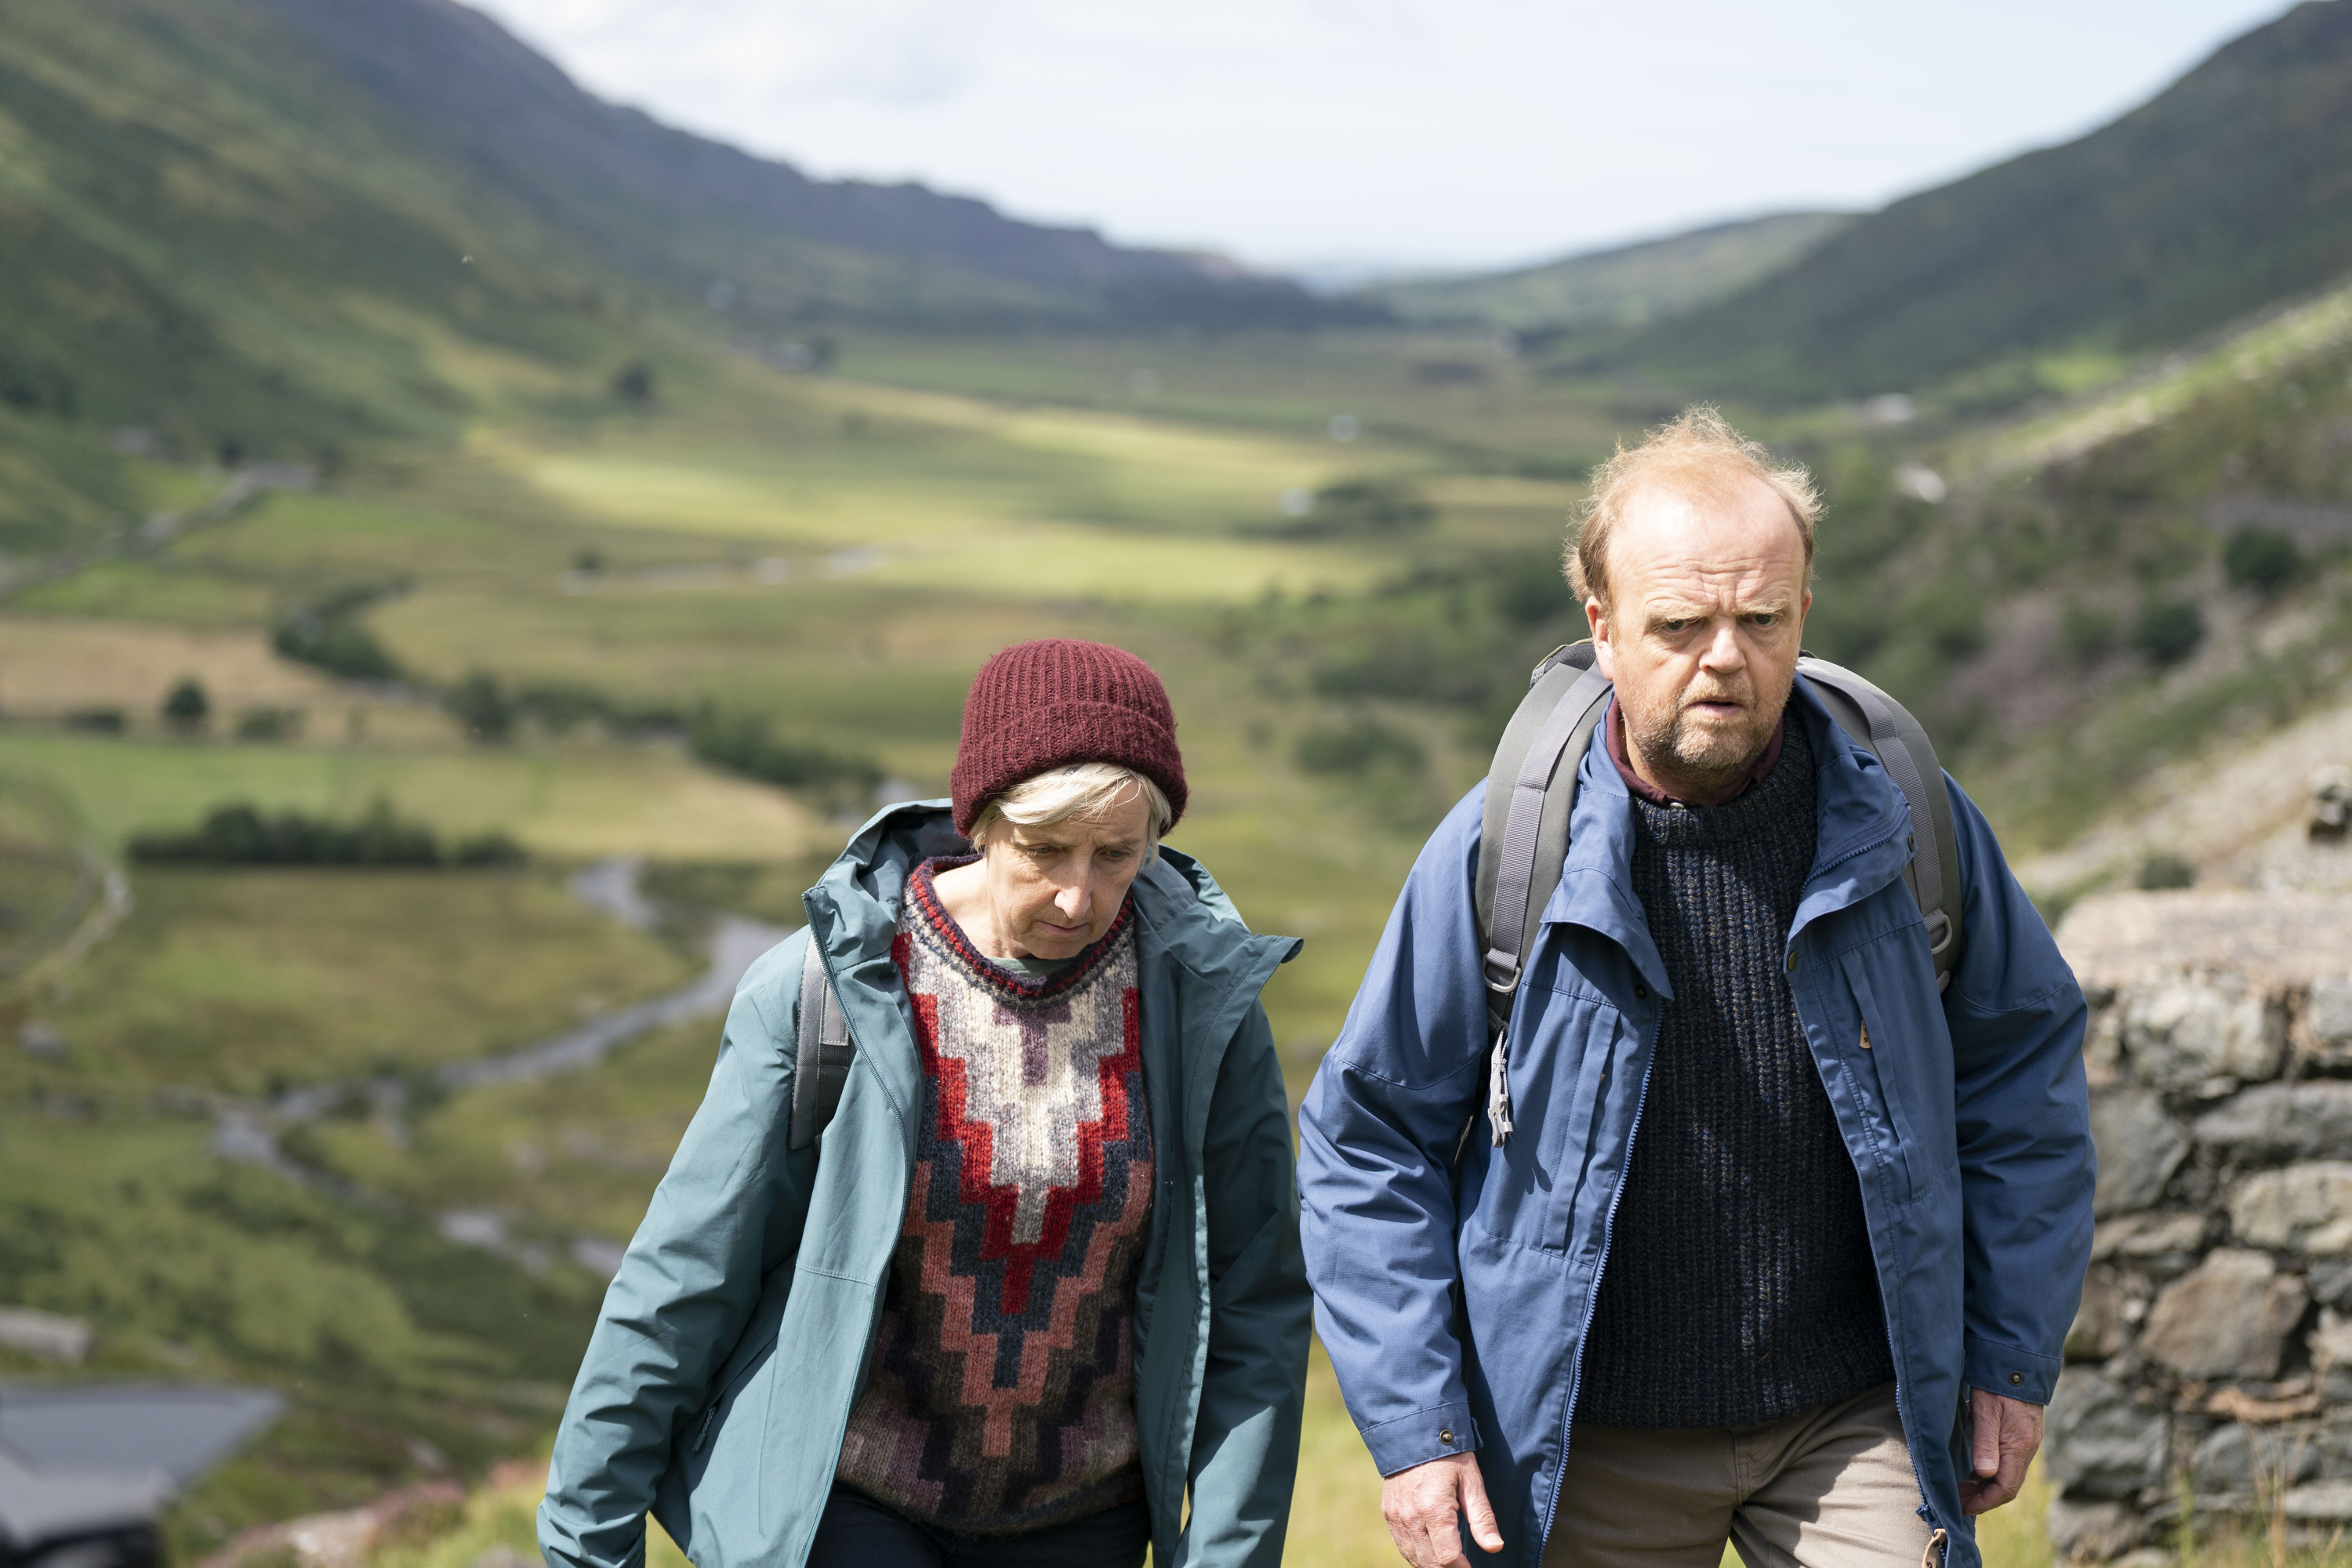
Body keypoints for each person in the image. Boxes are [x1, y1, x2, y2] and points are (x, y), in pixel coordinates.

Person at [1296, 410, 2092, 1568]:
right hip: (1580, 1437)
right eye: (1679, 624)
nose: (1726, 656)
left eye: (1761, 619)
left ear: (1804, 614)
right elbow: (1368, 1143)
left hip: (1851, 1418)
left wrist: (2008, 1360)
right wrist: (1420, 1435)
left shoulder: (1908, 814)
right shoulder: (1506, 847)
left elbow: (2022, 1082)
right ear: (1603, 628)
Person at [539, 639, 1311, 1568]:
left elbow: (1254, 1304)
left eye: (1117, 854)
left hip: (1086, 1522)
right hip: (850, 1502)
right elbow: (684, 1277)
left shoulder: (1201, 1008)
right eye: (1045, 849)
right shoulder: (825, 990)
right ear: (979, 820)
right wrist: (587, 1539)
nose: (1080, 894)